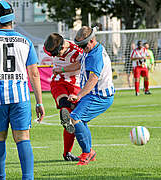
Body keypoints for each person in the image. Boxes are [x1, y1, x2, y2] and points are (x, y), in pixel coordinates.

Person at [0, 1, 45, 179]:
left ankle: (0, 178)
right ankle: (27, 178)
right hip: (20, 97)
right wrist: (39, 102)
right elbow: (34, 74)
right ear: (13, 19)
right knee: (23, 138)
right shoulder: (26, 41)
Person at [62, 26, 115, 165]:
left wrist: (78, 96)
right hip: (91, 94)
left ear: (92, 40)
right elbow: (79, 64)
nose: (81, 48)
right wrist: (61, 69)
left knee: (75, 118)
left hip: (99, 96)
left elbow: (93, 80)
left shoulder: (95, 56)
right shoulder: (90, 50)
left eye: (83, 45)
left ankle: (87, 152)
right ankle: (88, 151)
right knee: (80, 121)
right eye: (79, 45)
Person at [43, 33, 83, 161]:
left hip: (74, 83)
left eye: (56, 53)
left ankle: (67, 153)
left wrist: (62, 70)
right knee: (65, 105)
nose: (54, 56)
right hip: (58, 81)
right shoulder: (50, 47)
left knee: (72, 120)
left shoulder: (76, 51)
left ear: (62, 47)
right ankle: (65, 110)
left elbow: (79, 65)